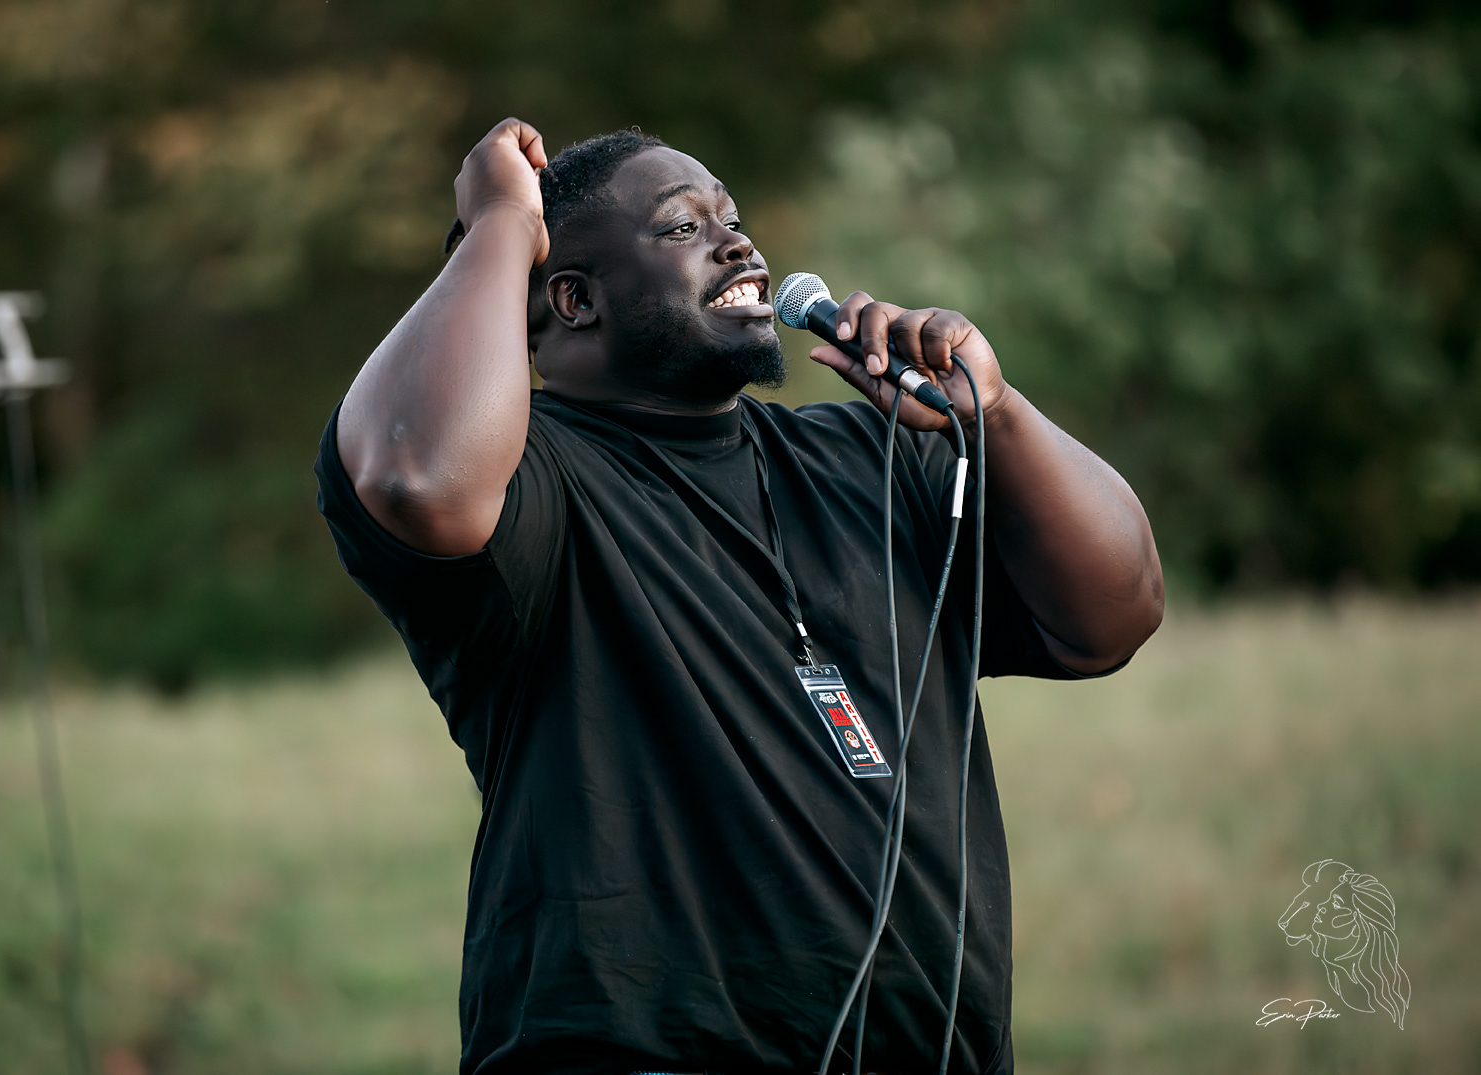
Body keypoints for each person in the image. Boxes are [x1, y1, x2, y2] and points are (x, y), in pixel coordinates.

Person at [315, 117, 1164, 1075]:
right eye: (683, 227)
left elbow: (1114, 613)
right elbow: (417, 473)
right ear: (574, 299)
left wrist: (997, 416)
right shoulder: (533, 484)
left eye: (732, 218)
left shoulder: (871, 454)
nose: (737, 244)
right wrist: (501, 221)